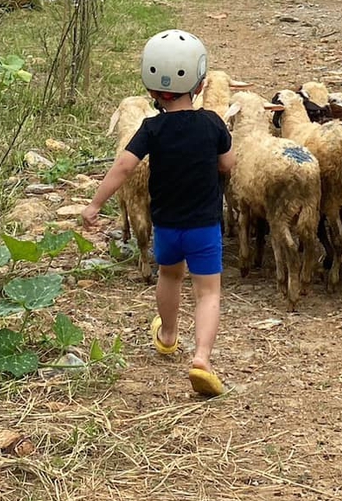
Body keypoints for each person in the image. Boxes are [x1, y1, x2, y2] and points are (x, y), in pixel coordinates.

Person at [82, 30, 234, 397]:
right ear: (200, 84)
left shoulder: (150, 129)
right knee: (208, 292)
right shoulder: (213, 123)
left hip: (166, 225)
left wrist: (95, 204)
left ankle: (167, 335)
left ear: (150, 89)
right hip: (204, 227)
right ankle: (201, 358)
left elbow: (122, 168)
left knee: (169, 276)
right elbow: (228, 165)